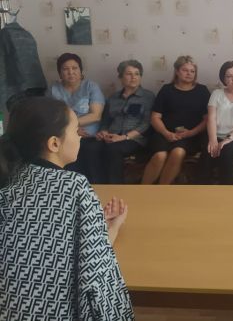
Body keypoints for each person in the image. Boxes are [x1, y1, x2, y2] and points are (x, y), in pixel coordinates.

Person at [0, 97, 133, 319]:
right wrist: (113, 228)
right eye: (75, 130)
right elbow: (95, 275)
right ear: (54, 143)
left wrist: (99, 227)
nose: (80, 135)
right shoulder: (75, 187)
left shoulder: (9, 181)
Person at [142, 55, 210, 184]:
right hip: (164, 134)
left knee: (178, 153)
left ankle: (162, 190)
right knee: (160, 156)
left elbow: (207, 120)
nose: (189, 74)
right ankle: (143, 190)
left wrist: (191, 133)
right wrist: (166, 133)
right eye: (185, 70)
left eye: (192, 71)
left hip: (190, 136)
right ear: (177, 71)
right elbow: (155, 117)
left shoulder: (202, 91)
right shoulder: (166, 90)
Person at [49, 52, 106, 183]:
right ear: (60, 73)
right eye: (65, 69)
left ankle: (96, 188)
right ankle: (69, 188)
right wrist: (72, 130)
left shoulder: (91, 87)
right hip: (64, 135)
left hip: (89, 136)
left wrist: (72, 127)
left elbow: (96, 115)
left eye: (74, 68)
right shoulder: (53, 89)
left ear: (80, 70)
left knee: (89, 151)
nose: (71, 72)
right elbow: (50, 116)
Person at [96, 60, 155, 183]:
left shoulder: (148, 96)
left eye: (137, 74)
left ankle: (116, 187)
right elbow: (106, 120)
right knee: (91, 148)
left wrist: (123, 137)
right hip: (112, 136)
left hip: (134, 139)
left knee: (113, 149)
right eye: (129, 74)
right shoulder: (113, 97)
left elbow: (146, 123)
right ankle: (95, 185)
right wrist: (103, 131)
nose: (133, 77)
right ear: (121, 77)